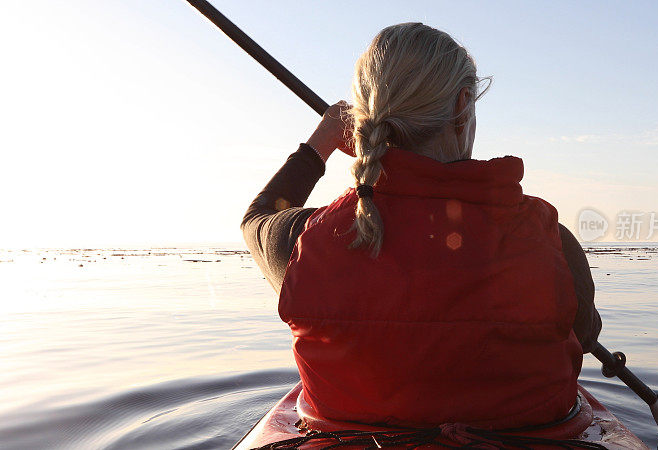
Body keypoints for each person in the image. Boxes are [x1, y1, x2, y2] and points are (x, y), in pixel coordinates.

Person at [242, 23, 601, 429]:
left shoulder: (306, 239)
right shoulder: (552, 240)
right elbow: (585, 337)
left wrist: (319, 145)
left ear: (360, 121)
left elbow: (256, 219)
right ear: (462, 106)